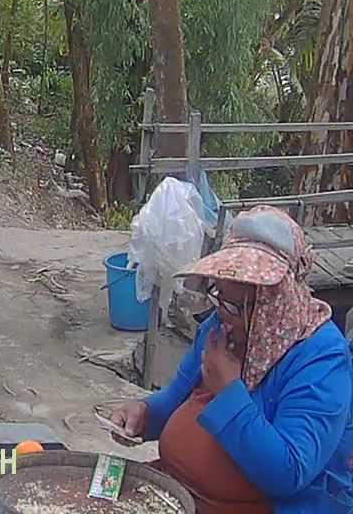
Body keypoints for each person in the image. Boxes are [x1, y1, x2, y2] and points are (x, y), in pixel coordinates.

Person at [111, 205, 353, 514]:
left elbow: (289, 472)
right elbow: (175, 397)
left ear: (277, 302)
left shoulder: (320, 359)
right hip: (178, 491)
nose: (223, 313)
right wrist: (144, 413)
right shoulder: (220, 327)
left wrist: (228, 391)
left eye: (238, 305)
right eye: (220, 296)